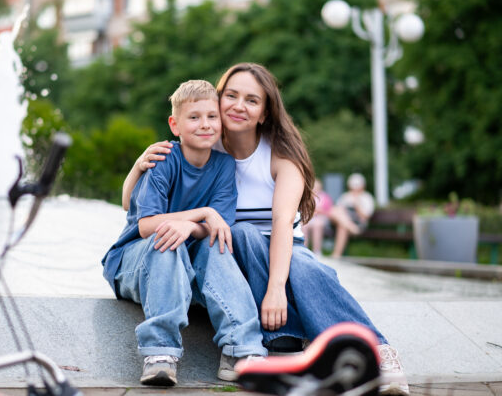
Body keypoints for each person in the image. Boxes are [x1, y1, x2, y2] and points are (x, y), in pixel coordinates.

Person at [123, 63, 408, 395]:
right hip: (231, 259)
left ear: (264, 113)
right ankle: (283, 344)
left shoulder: (280, 155)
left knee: (299, 261)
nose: (238, 106)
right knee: (240, 233)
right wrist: (137, 165)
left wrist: (275, 289)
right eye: (230, 96)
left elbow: (282, 225)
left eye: (252, 100)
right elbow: (134, 207)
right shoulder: (205, 141)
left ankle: (376, 350)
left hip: (284, 256)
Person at [102, 80, 267, 387]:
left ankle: (241, 349)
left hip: (186, 260)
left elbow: (219, 225)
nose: (204, 124)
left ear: (221, 121)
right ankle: (160, 353)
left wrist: (194, 226)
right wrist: (199, 214)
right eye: (194, 118)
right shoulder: (164, 158)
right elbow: (145, 225)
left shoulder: (223, 165)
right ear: (175, 125)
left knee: (216, 242)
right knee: (168, 238)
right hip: (136, 261)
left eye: (211, 117)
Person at [330, 173, 375, 258]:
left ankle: (336, 255)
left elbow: (365, 217)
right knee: (335, 211)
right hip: (348, 224)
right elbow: (335, 212)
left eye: (357, 186)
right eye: (353, 186)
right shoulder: (345, 196)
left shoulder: (367, 197)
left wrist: (357, 205)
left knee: (342, 227)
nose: (355, 189)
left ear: (362, 186)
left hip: (359, 224)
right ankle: (352, 228)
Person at [301, 179, 333, 255]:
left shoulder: (325, 197)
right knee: (303, 225)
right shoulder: (306, 196)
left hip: (321, 218)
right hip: (309, 218)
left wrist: (319, 211)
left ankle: (317, 250)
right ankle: (304, 249)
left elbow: (329, 211)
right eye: (314, 187)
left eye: (317, 187)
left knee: (317, 225)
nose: (315, 189)